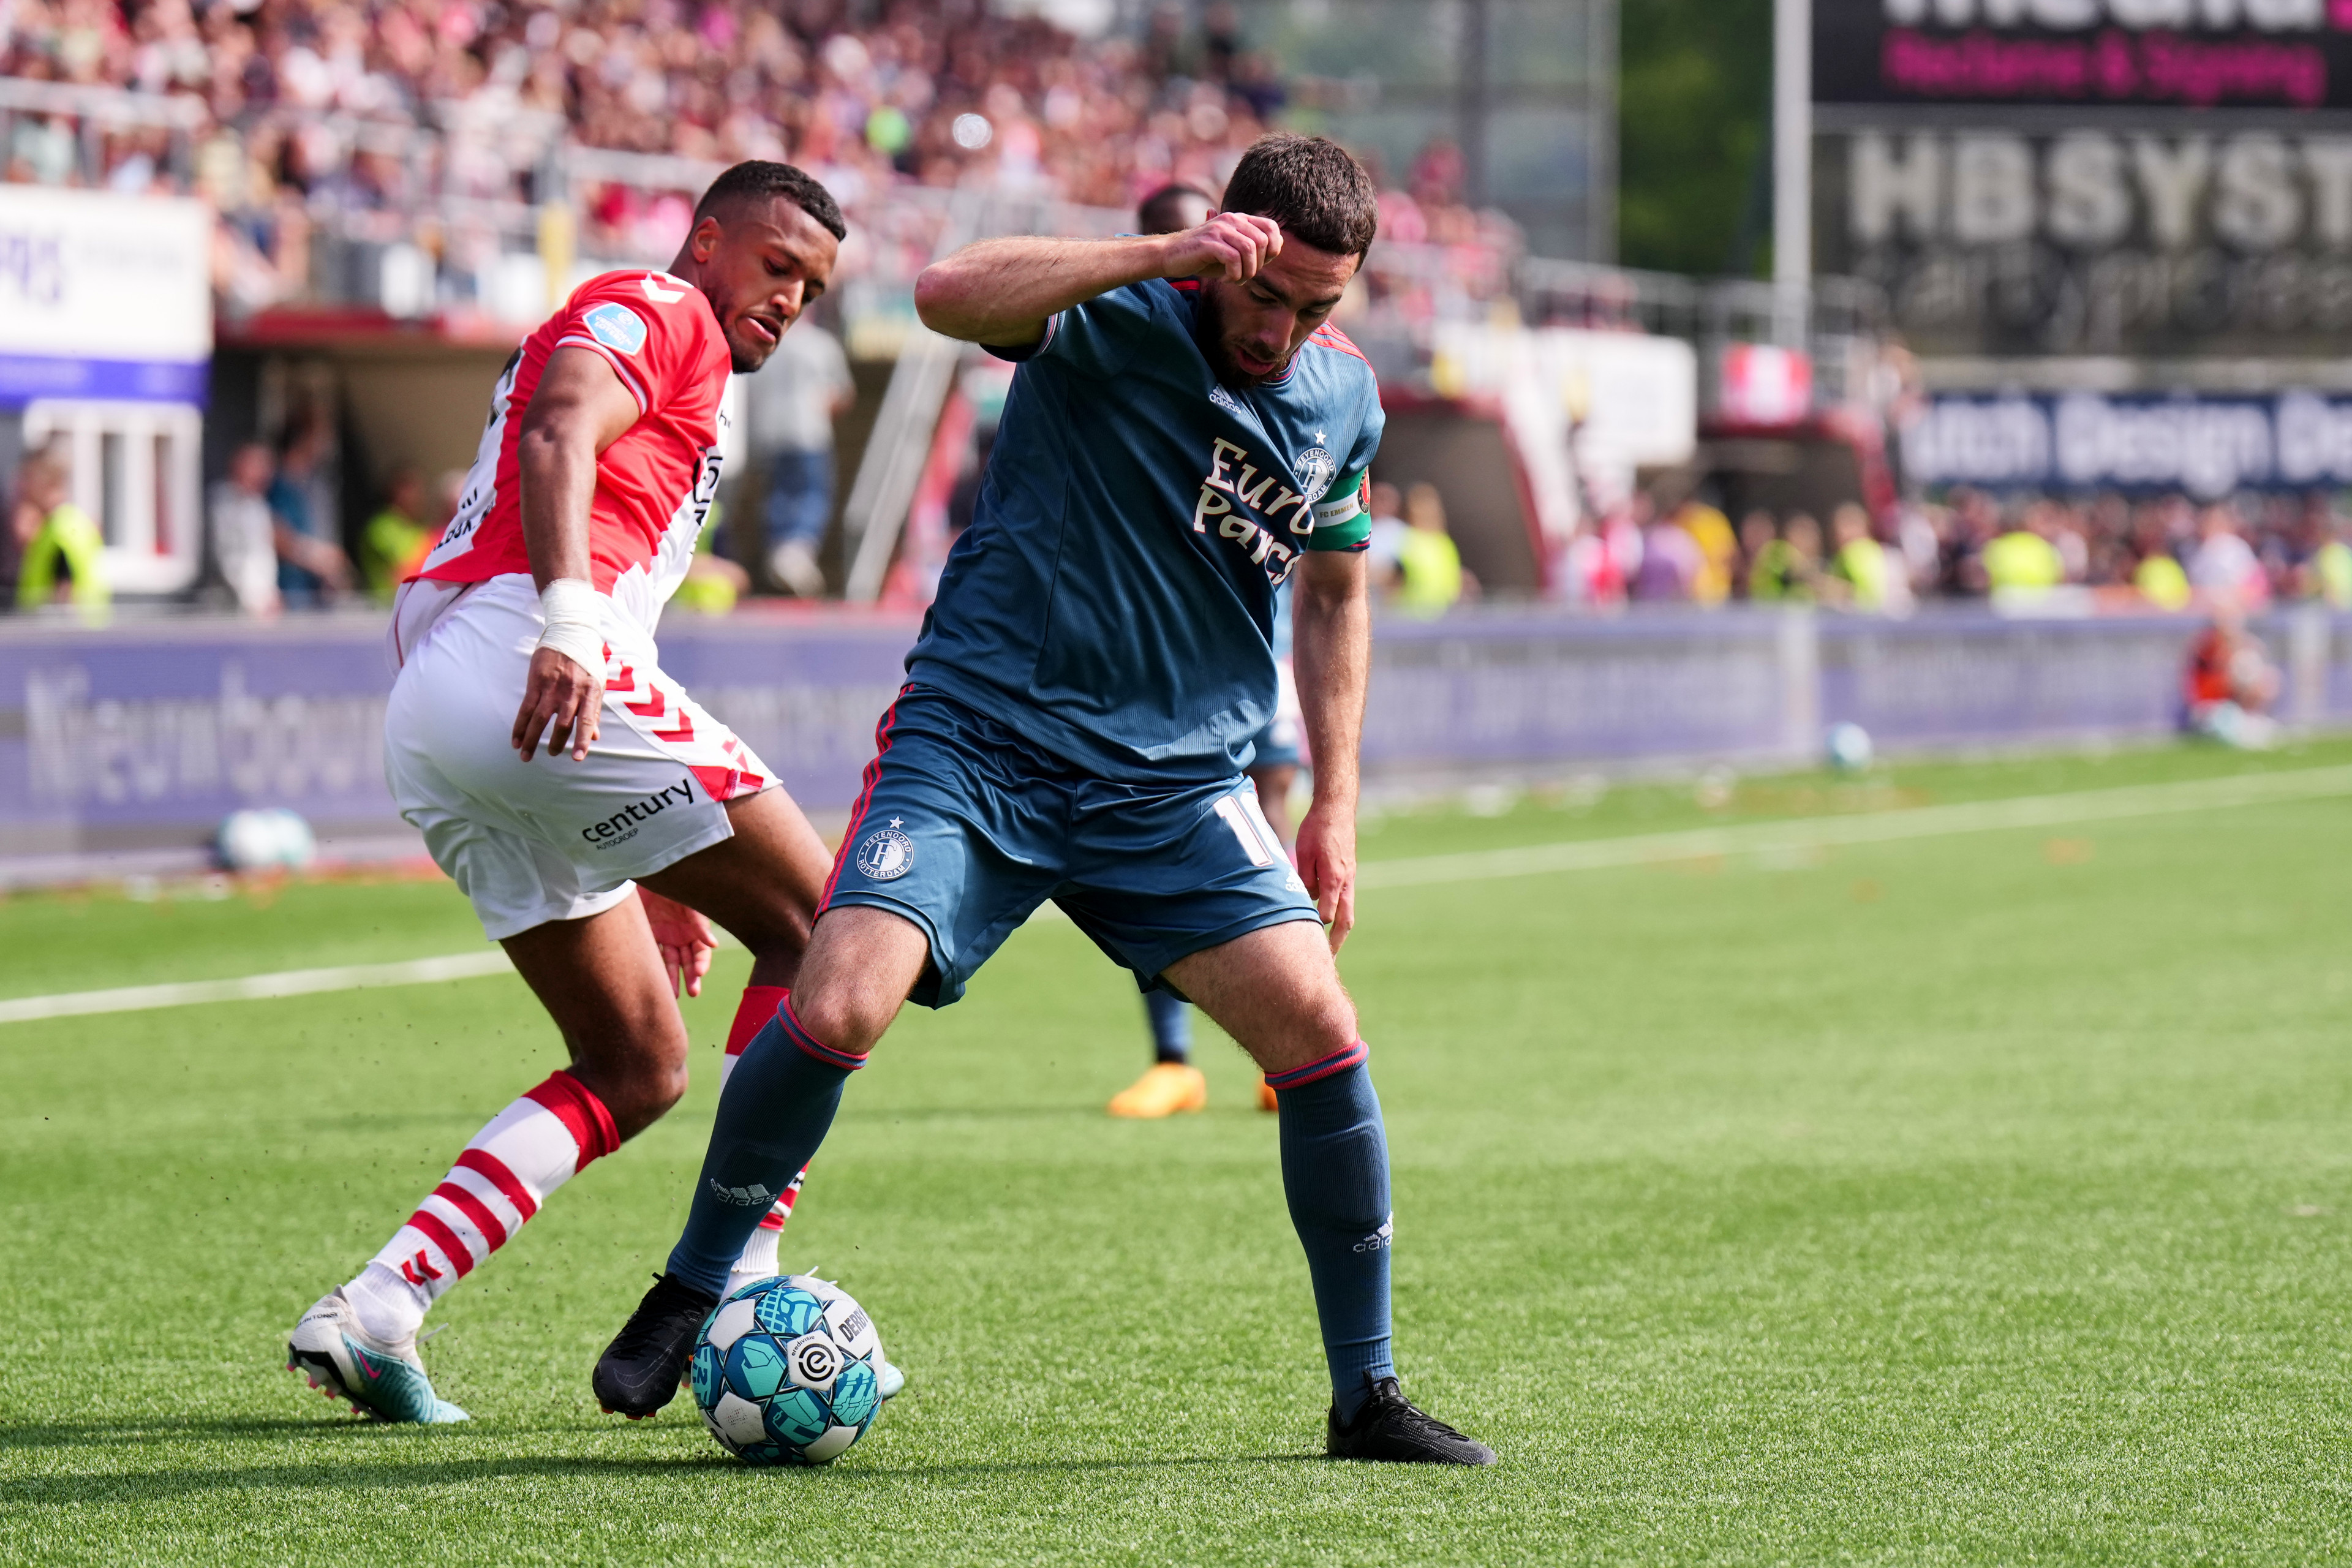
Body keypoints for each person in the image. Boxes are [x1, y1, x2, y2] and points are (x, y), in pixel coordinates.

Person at [592, 134, 1494, 1465]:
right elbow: (949, 292)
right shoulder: (1116, 307)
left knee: (1319, 1025)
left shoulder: (1343, 399)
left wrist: (1335, 804)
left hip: (1176, 783)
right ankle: (692, 1279)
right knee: (839, 998)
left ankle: (1366, 1392)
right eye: (1269, 295)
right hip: (983, 741)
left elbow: (1340, 589)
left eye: (1321, 307)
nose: (1286, 329)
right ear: (1227, 246)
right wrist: (1162, 252)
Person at [285, 161, 902, 1425]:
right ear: (707, 238)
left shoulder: (695, 389)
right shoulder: (654, 306)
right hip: (532, 653)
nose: (791, 301)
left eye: (815, 287)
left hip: (464, 711)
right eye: (777, 266)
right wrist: (566, 622)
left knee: (636, 1062)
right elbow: (561, 427)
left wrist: (668, 870)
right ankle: (745, 1275)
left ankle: (380, 1304)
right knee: (828, 929)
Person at [1110, 176, 1287, 1122]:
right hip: (1147, 676)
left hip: (1263, 653)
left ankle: (1280, 1048)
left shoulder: (1276, 350)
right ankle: (1175, 1056)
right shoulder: (1116, 339)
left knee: (1277, 835)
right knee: (1144, 859)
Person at [744, 312, 853, 597]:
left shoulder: (767, 344)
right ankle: (795, 553)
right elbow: (840, 393)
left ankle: (779, 550)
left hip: (768, 433)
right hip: (809, 432)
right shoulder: (821, 343)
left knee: (778, 495)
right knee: (811, 493)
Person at [10, 449, 108, 620]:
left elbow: (64, 601)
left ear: (45, 484)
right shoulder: (71, 523)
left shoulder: (59, 532)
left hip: (65, 641)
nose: (20, 488)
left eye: (27, 479)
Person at [269, 412, 355, 605]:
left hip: (319, 596)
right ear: (303, 439)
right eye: (321, 436)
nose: (327, 444)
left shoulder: (318, 483)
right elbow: (274, 534)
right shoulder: (278, 484)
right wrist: (317, 557)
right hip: (291, 595)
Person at [209, 442, 282, 617]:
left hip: (262, 605)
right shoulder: (223, 502)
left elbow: (262, 555)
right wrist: (256, 598)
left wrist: (270, 592)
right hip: (231, 607)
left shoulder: (258, 506)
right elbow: (228, 557)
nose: (264, 473)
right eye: (258, 465)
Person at [359, 464, 435, 602]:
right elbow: (406, 572)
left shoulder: (418, 529)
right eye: (413, 488)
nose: (420, 495)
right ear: (398, 491)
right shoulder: (381, 526)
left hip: (415, 605)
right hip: (385, 609)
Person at [1395, 481, 1466, 616]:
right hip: (1410, 619)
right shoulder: (1404, 538)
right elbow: (1394, 579)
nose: (1425, 511)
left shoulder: (1445, 543)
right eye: (1419, 505)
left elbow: (1454, 583)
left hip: (1442, 619)